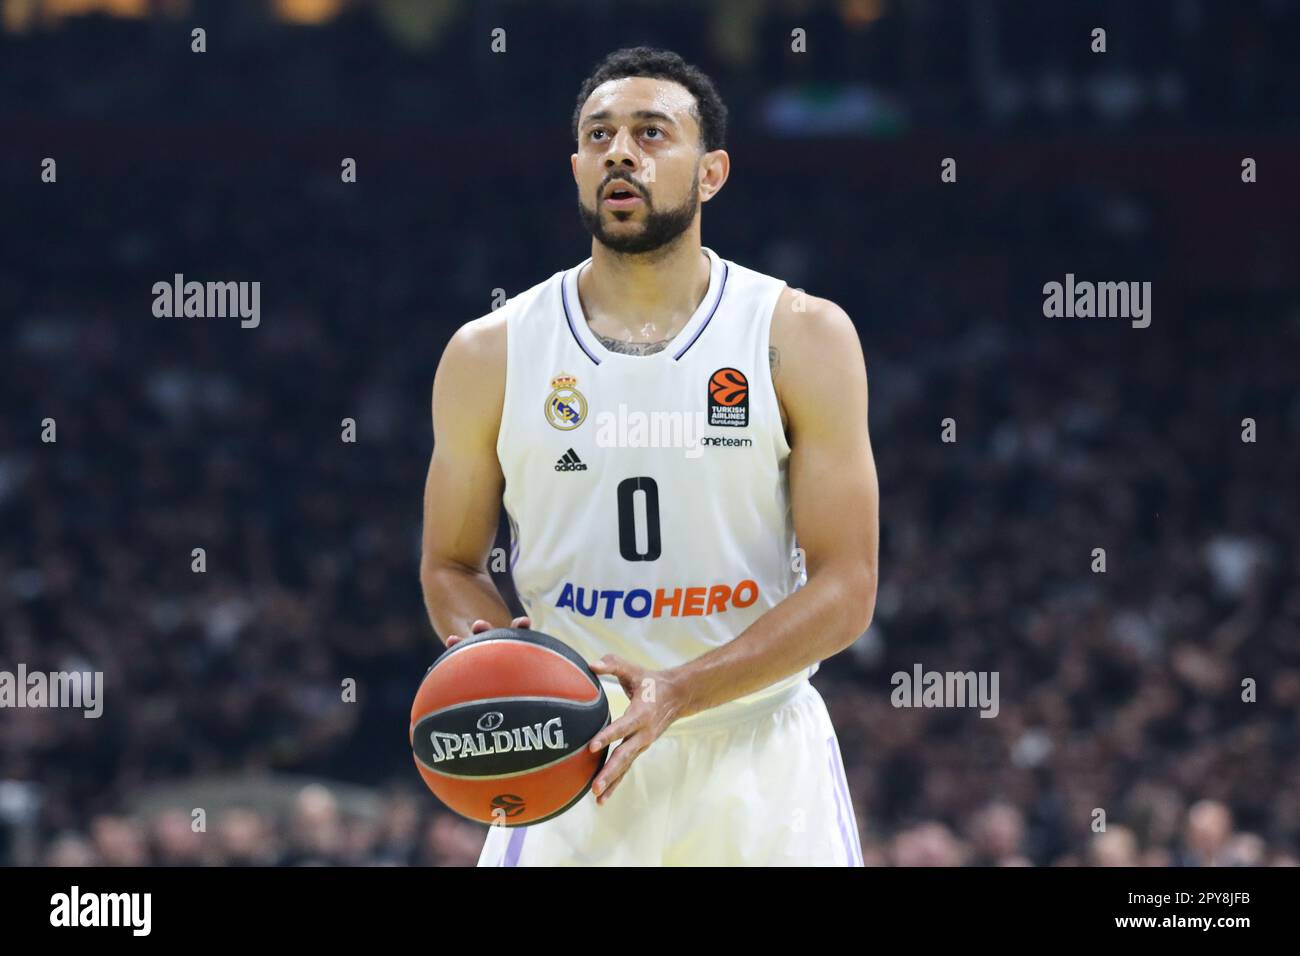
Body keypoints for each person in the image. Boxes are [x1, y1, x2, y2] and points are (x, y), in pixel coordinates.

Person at [420, 47, 878, 866]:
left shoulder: (800, 335)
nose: (620, 152)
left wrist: (678, 692)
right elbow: (450, 564)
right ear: (576, 168)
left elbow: (848, 589)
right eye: (599, 135)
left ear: (712, 173)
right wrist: (488, 649)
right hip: (573, 758)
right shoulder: (489, 353)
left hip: (759, 754)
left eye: (651, 133)